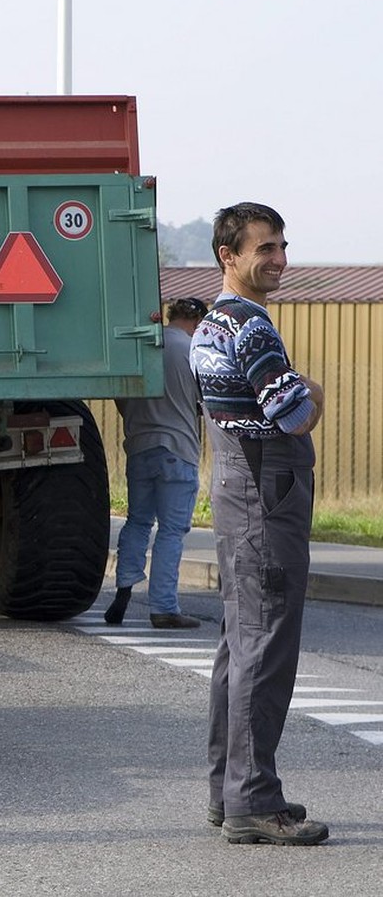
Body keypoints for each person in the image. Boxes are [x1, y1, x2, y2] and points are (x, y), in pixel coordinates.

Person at [191, 201, 327, 846]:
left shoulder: (210, 324)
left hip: (239, 489)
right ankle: (253, 801)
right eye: (264, 248)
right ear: (230, 256)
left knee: (241, 644)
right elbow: (293, 412)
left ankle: (230, 791)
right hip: (265, 497)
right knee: (266, 645)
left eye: (282, 246)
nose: (278, 259)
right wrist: (314, 391)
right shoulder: (250, 326)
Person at [103, 297, 209, 628]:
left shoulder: (144, 346)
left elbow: (121, 395)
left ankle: (122, 593)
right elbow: (207, 402)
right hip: (177, 450)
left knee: (137, 522)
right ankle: (163, 607)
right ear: (197, 322)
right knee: (171, 531)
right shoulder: (193, 351)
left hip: (139, 447)